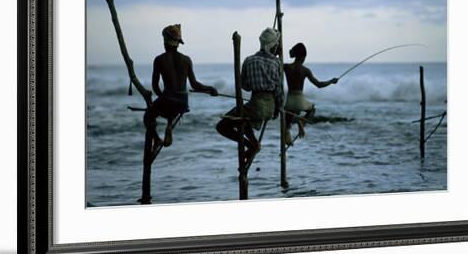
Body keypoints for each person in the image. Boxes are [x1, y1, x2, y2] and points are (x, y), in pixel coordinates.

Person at [144, 24, 218, 151]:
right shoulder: (186, 59)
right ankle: (169, 125)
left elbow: (155, 86)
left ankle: (156, 140)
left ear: (165, 42)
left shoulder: (159, 59)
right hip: (182, 103)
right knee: (172, 104)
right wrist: (210, 88)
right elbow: (195, 84)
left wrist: (161, 98)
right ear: (178, 43)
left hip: (168, 100)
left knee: (148, 117)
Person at [216, 27, 284, 162]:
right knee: (243, 119)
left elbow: (245, 87)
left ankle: (251, 145)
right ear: (273, 45)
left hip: (255, 104)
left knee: (222, 126)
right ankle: (254, 144)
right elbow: (279, 91)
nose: (278, 46)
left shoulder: (249, 60)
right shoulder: (276, 62)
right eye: (277, 44)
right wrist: (278, 109)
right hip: (270, 108)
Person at [283, 43, 338, 145]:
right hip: (300, 100)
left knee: (286, 124)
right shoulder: (305, 70)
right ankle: (302, 123)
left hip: (289, 100)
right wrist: (331, 81)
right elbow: (319, 85)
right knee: (312, 109)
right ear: (303, 57)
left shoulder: (286, 67)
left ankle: (288, 140)